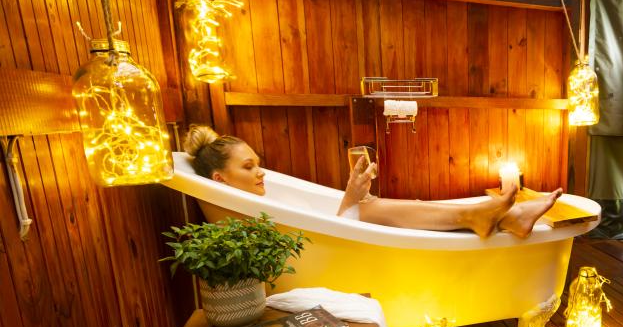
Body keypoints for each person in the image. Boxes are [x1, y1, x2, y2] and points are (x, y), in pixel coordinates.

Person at [183, 125, 562, 238]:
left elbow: (327, 227)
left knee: (370, 206)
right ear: (219, 179)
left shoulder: (257, 202)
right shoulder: (242, 217)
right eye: (248, 167)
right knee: (369, 208)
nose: (261, 172)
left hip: (345, 233)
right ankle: (490, 217)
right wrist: (352, 199)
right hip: (342, 246)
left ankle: (497, 217)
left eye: (258, 164)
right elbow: (328, 236)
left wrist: (353, 197)